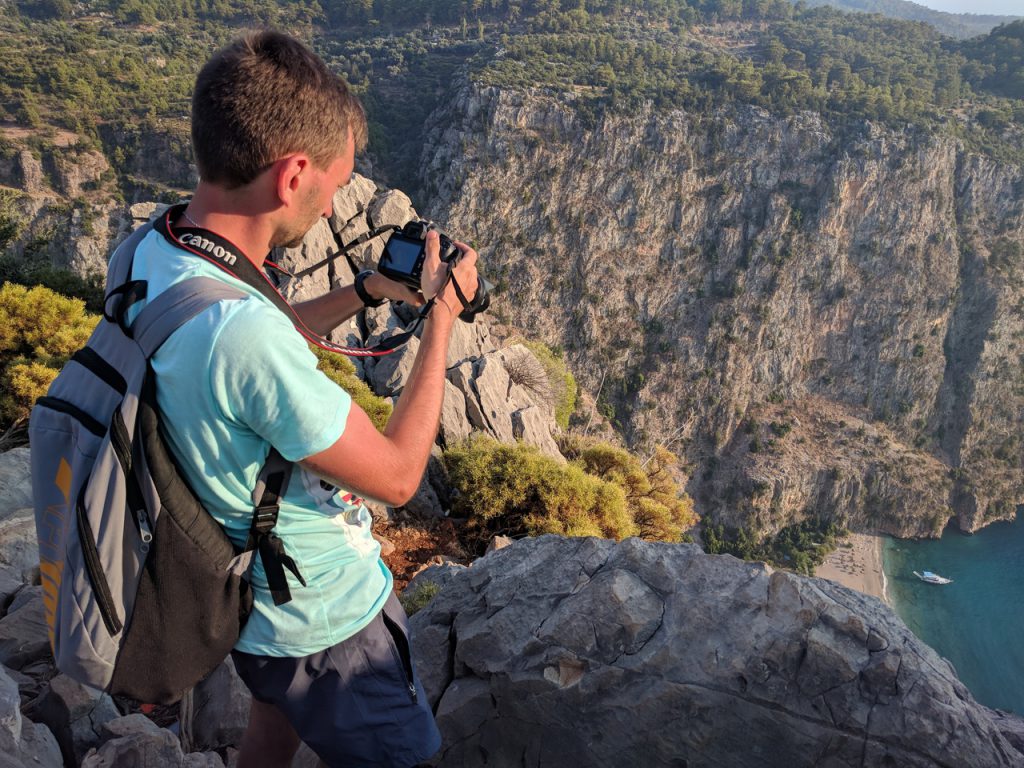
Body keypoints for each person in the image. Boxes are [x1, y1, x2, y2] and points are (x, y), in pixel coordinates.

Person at [128, 30, 476, 767]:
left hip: (243, 598)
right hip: (324, 622)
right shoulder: (242, 336)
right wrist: (440, 320)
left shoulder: (154, 252)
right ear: (292, 177)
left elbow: (252, 337)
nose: (330, 205)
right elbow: (397, 475)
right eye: (332, 183)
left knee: (271, 722)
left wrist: (368, 291)